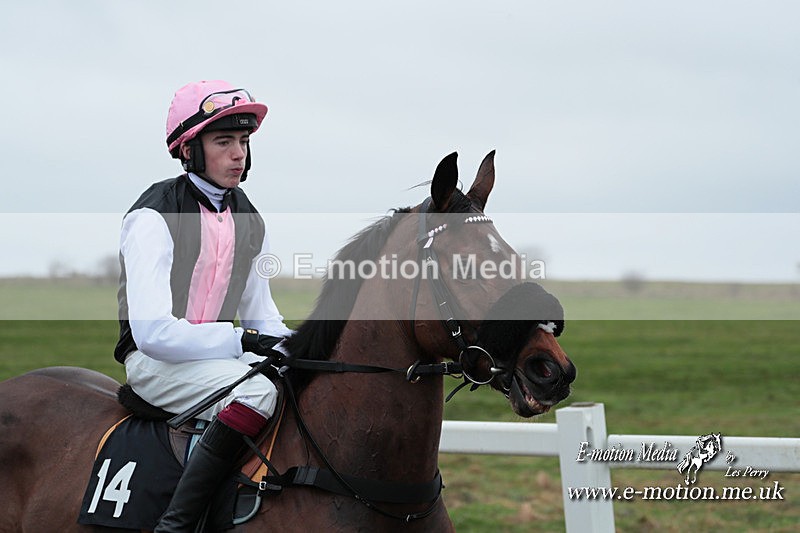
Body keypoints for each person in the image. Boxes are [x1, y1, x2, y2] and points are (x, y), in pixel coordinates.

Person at [114, 80, 293, 532]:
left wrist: (303, 346)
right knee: (257, 391)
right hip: (155, 362)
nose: (239, 154)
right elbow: (154, 333)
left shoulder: (250, 218)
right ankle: (180, 522)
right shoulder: (152, 217)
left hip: (216, 361)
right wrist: (241, 341)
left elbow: (261, 315)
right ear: (189, 149)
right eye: (224, 141)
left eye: (244, 142)